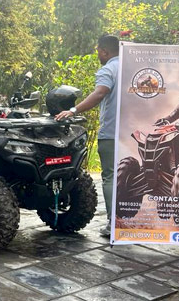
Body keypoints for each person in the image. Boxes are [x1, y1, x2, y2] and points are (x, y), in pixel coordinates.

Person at [55, 34, 119, 237]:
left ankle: (113, 225)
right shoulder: (131, 69)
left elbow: (100, 93)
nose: (98, 54)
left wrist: (73, 110)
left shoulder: (108, 69)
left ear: (105, 51)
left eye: (98, 50)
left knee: (109, 177)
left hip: (112, 132)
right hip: (133, 131)